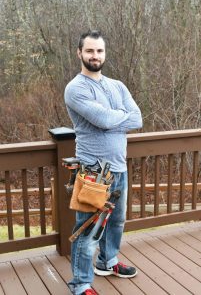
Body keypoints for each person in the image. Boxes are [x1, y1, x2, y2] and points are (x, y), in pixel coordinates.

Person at [64, 29, 143, 295]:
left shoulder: (117, 86)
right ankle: (80, 284)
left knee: (117, 222)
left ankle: (107, 262)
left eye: (99, 51)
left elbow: (138, 119)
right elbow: (105, 121)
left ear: (105, 53)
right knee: (87, 229)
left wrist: (114, 117)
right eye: (89, 50)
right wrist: (119, 116)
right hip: (92, 172)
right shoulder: (75, 88)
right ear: (79, 53)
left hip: (119, 167)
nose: (95, 56)